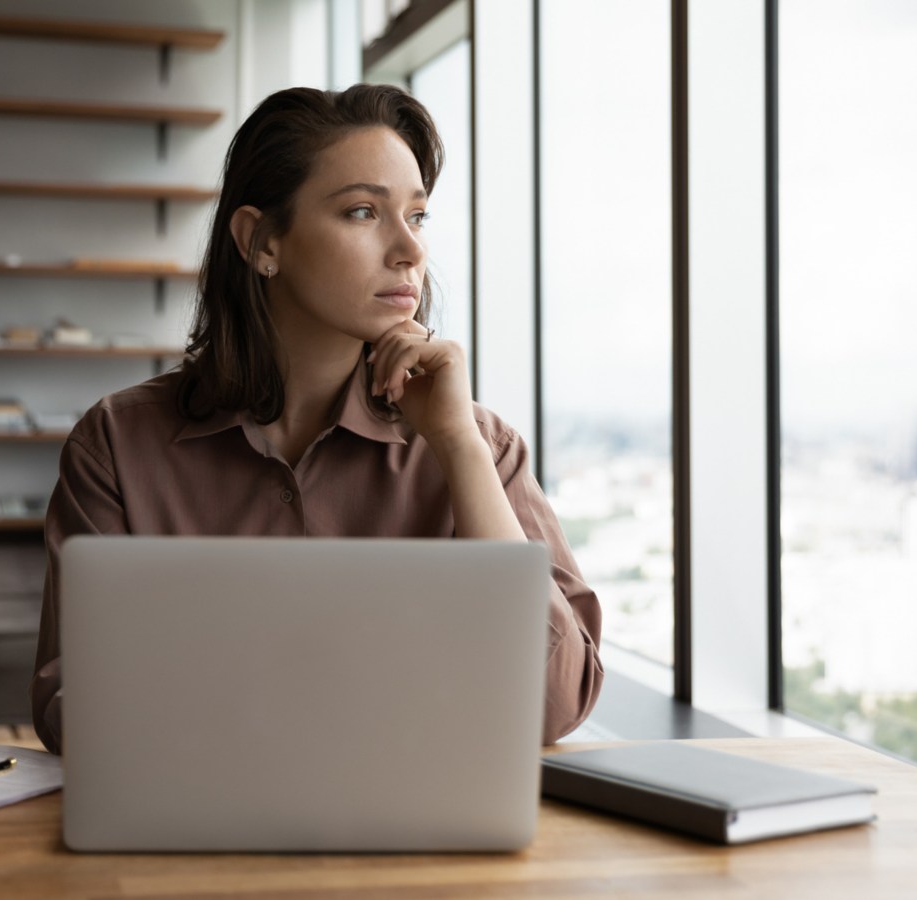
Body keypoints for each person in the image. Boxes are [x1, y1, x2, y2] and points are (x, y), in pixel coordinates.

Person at [31, 83, 603, 755]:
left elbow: (555, 703)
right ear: (261, 241)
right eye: (364, 211)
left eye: (416, 217)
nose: (410, 252)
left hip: (422, 847)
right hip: (190, 846)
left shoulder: (481, 445)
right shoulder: (118, 445)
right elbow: (70, 703)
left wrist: (458, 446)